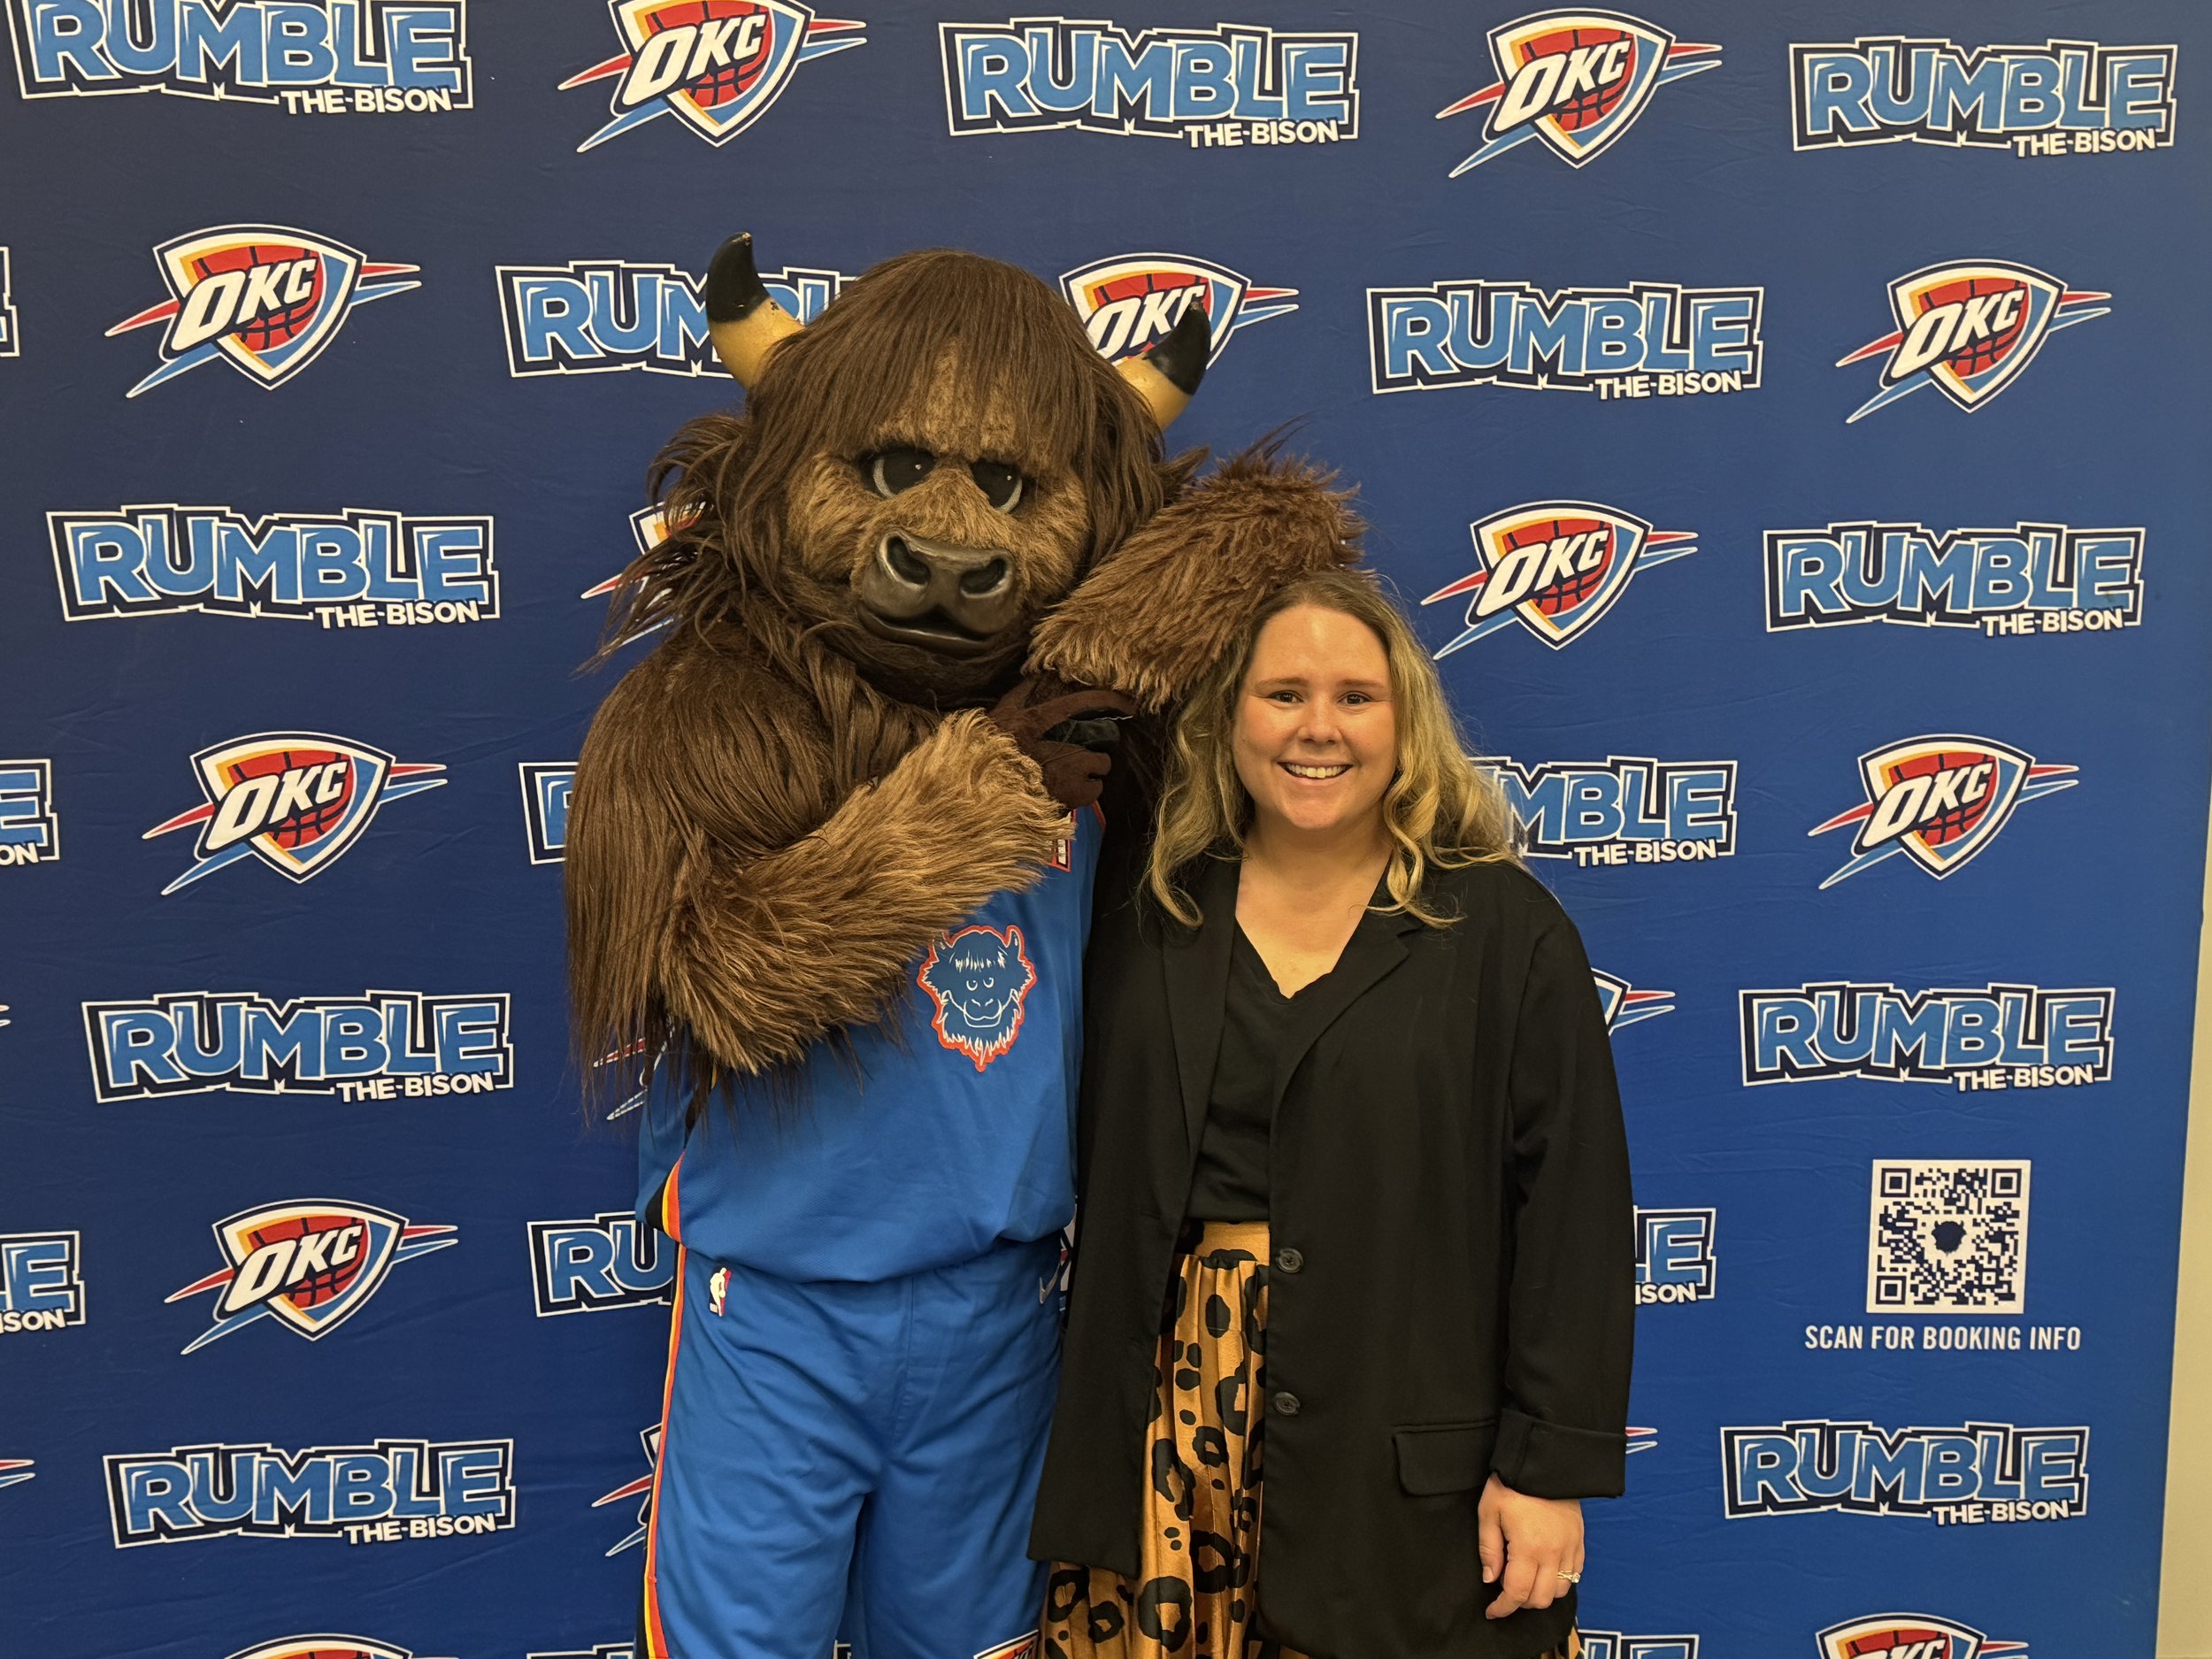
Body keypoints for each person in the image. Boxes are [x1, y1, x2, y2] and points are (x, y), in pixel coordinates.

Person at [1030, 569, 1635, 1659]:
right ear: (1227, 720)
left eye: (1356, 696)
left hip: (1401, 1444)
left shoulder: (1505, 931)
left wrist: (1545, 1474)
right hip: (1162, 1433)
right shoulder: (1146, 906)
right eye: (1283, 695)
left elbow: (1574, 1221)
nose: (1319, 728)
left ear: (1407, 720)